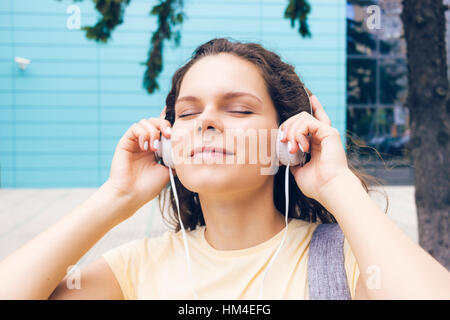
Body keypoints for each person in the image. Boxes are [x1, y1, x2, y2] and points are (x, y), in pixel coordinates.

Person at [0, 38, 449, 300]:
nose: (207, 122)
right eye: (189, 113)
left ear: (288, 140)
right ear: (168, 144)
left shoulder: (348, 261)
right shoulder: (135, 269)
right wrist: (115, 197)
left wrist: (336, 184)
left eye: (238, 109)